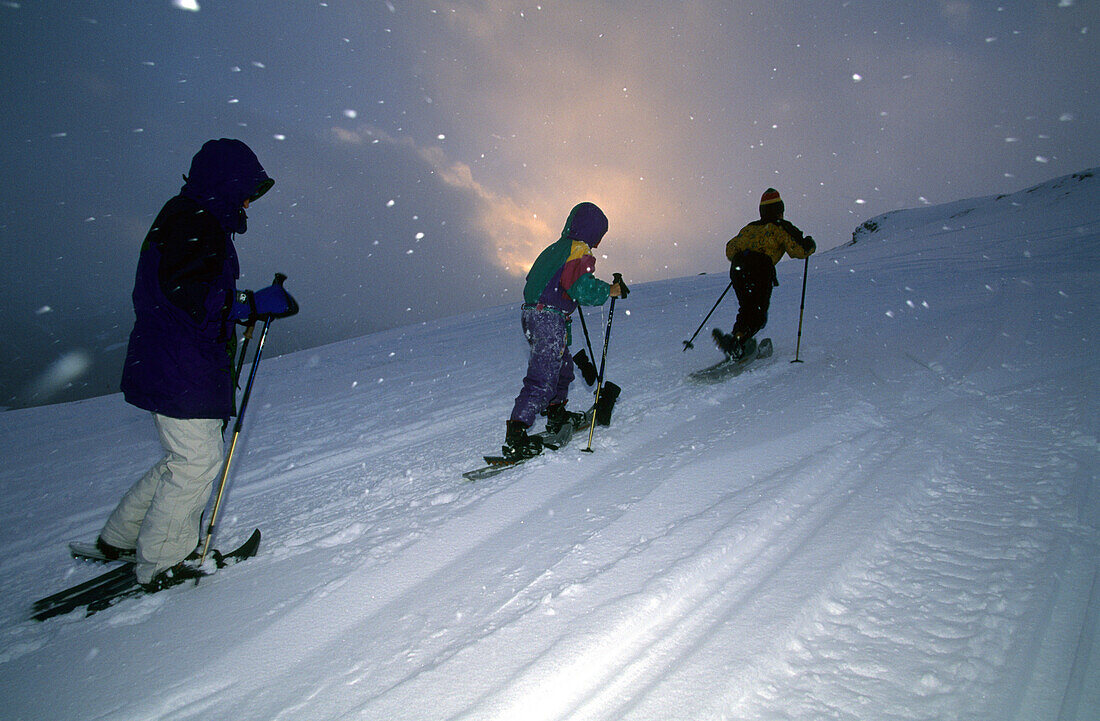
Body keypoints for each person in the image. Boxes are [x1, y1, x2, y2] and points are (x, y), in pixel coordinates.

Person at [95, 138, 297, 591]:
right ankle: (163, 560)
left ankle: (121, 538)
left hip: (172, 357)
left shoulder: (190, 215)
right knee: (197, 462)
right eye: (246, 189)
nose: (249, 200)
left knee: (184, 457)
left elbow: (188, 291)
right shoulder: (195, 220)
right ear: (224, 184)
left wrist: (239, 305)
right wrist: (247, 304)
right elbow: (191, 295)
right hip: (181, 361)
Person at [504, 201, 625, 459]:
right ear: (592, 232)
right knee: (545, 375)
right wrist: (609, 290)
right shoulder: (577, 249)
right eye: (599, 236)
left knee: (562, 367)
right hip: (548, 316)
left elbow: (537, 281)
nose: (598, 243)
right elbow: (579, 286)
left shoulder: (554, 249)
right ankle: (517, 432)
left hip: (535, 315)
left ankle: (556, 413)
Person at [714, 188, 815, 359]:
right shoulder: (781, 227)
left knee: (747, 307)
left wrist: (746, 256)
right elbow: (799, 251)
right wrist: (809, 244)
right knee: (758, 312)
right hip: (760, 269)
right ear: (780, 210)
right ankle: (739, 344)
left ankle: (737, 338)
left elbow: (730, 249)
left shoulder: (750, 228)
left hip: (739, 268)